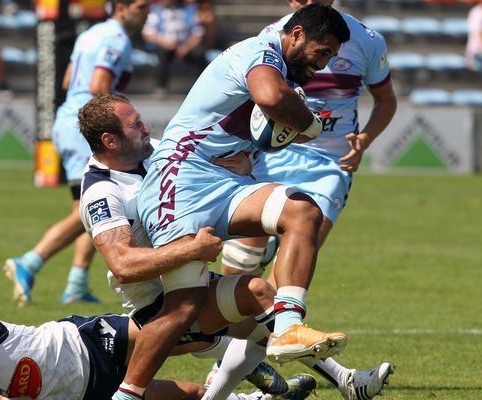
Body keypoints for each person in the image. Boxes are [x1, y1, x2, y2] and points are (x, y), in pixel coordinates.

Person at [76, 94, 376, 400]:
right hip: (158, 307)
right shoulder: (102, 192)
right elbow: (123, 266)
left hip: (193, 282)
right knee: (259, 298)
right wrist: (192, 250)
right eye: (134, 124)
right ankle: (343, 381)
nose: (145, 126)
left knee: (265, 314)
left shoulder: (155, 150)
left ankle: (345, 380)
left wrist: (237, 166)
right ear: (110, 141)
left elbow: (209, 168)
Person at [127, 5, 351, 400]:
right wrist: (311, 124)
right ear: (296, 35)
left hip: (219, 180)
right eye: (322, 52)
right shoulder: (260, 51)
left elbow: (263, 117)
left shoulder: (278, 68)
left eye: (331, 57)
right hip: (177, 180)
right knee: (182, 311)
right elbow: (270, 96)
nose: (324, 64)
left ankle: (287, 328)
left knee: (303, 210)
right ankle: (126, 393)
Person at [217, 1, 397, 398]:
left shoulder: (365, 40)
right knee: (235, 284)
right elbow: (253, 104)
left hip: (329, 169)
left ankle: (237, 383)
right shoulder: (273, 38)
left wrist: (364, 140)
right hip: (272, 160)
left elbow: (387, 101)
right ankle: (341, 379)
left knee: (283, 285)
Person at [2, 0, 150, 306]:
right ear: (120, 8)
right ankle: (30, 262)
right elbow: (99, 85)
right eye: (140, 6)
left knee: (91, 206)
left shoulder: (92, 34)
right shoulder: (116, 39)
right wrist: (122, 118)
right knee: (97, 203)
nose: (146, 13)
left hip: (67, 119)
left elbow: (69, 79)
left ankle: (76, 282)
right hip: (88, 126)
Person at [0, 313, 303, 400]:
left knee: (181, 333)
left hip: (85, 342)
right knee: (188, 395)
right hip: (90, 393)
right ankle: (251, 396)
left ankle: (249, 349)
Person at [141, 0, 206, 98]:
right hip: (164, 45)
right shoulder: (156, 10)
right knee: (164, 53)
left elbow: (198, 34)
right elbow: (148, 34)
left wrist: (186, 47)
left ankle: (204, 87)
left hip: (185, 46)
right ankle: (161, 88)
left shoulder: (190, 10)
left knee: (200, 53)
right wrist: (165, 43)